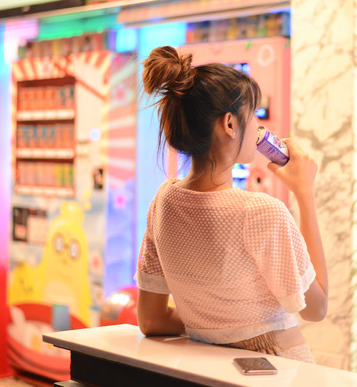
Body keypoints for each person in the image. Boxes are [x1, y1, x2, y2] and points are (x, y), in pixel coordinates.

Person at [135, 46, 328, 363]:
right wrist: (305, 193)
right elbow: (317, 309)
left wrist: (214, 326)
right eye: (252, 115)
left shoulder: (162, 202)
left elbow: (151, 321)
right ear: (229, 124)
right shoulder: (261, 211)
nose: (259, 127)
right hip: (278, 366)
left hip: (206, 367)